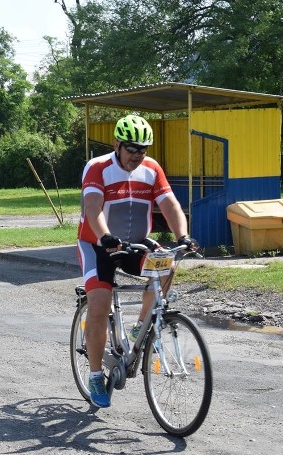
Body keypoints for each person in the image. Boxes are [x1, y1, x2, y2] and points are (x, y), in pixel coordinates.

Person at [77, 114, 197, 408]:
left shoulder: (151, 169)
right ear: (117, 144)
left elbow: (169, 205)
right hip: (98, 245)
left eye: (143, 148)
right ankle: (94, 375)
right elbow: (93, 208)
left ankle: (140, 327)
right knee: (100, 302)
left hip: (133, 244)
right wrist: (104, 236)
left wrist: (183, 235)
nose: (137, 154)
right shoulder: (98, 168)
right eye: (132, 148)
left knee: (167, 264)